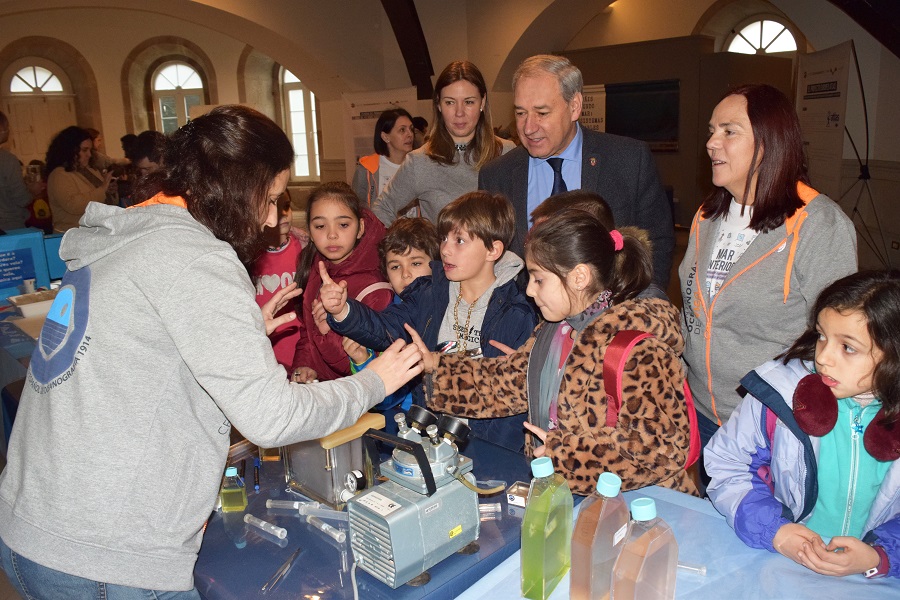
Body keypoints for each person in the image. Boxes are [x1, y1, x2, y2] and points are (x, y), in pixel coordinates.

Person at [0, 105, 423, 598]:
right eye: (267, 198)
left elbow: (140, 358)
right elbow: (272, 417)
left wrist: (237, 335)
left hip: (33, 526)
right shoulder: (196, 258)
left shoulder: (131, 237)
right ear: (234, 187)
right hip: (106, 551)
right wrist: (375, 381)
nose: (270, 219)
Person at [405, 209, 697, 495]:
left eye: (539, 279)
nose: (530, 291)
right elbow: (507, 382)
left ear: (579, 277)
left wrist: (567, 457)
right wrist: (436, 367)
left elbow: (660, 448)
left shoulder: (638, 348)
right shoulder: (554, 330)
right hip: (569, 495)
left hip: (635, 507)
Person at [679, 84, 857, 447]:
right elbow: (693, 313)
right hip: (699, 413)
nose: (712, 143)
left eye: (729, 131)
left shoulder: (818, 224)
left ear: (768, 142)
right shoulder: (707, 216)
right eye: (712, 131)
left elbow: (846, 338)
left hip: (773, 423)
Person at [705, 270, 900, 580]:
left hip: (868, 577)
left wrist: (880, 556)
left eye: (847, 347)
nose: (823, 358)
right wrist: (775, 531)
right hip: (779, 560)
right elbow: (728, 463)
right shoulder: (780, 395)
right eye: (822, 336)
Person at [322, 191, 537, 451]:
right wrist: (342, 310)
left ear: (493, 249)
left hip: (485, 445)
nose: (445, 249)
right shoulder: (428, 293)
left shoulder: (516, 312)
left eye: (459, 240)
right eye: (444, 238)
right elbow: (384, 329)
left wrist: (492, 456)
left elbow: (510, 402)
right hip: (428, 437)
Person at [478, 54, 674, 294]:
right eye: (520, 113)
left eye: (542, 113)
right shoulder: (497, 176)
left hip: (612, 320)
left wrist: (639, 311)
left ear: (574, 106)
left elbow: (658, 244)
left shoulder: (629, 160)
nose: (528, 128)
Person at [371, 60, 514, 225]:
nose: (459, 113)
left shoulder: (506, 153)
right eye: (450, 102)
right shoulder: (420, 162)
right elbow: (382, 208)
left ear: (482, 102)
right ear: (438, 104)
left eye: (468, 102)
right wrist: (404, 247)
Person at [342, 217, 440, 431]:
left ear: (436, 265)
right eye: (395, 266)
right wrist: (362, 361)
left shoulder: (441, 309)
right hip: (402, 420)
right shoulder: (388, 315)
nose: (406, 274)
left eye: (416, 263)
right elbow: (384, 399)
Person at [291, 181, 393, 383]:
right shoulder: (316, 266)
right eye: (320, 226)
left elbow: (362, 368)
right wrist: (304, 365)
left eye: (343, 224)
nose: (331, 234)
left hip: (354, 401)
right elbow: (307, 329)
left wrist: (326, 333)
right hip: (321, 390)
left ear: (360, 228)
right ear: (310, 232)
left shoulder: (376, 288)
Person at [252, 191, 307, 371]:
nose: (283, 214)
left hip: (301, 354)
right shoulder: (247, 257)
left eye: (286, 206)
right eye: (272, 205)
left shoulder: (305, 249)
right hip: (263, 357)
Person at [45, 125, 115, 232]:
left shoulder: (90, 170)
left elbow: (102, 197)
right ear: (70, 150)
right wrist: (103, 189)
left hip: (95, 232)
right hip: (71, 234)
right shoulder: (59, 175)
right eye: (84, 150)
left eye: (90, 150)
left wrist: (110, 191)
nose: (89, 155)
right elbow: (74, 205)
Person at [351, 108, 414, 207]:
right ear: (385, 137)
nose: (410, 134)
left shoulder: (417, 165)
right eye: (402, 130)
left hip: (414, 222)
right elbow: (356, 208)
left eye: (411, 129)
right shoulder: (367, 169)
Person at [0, 111, 36, 231]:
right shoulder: (7, 160)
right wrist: (32, 191)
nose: (9, 130)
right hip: (8, 226)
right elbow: (22, 199)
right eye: (6, 127)